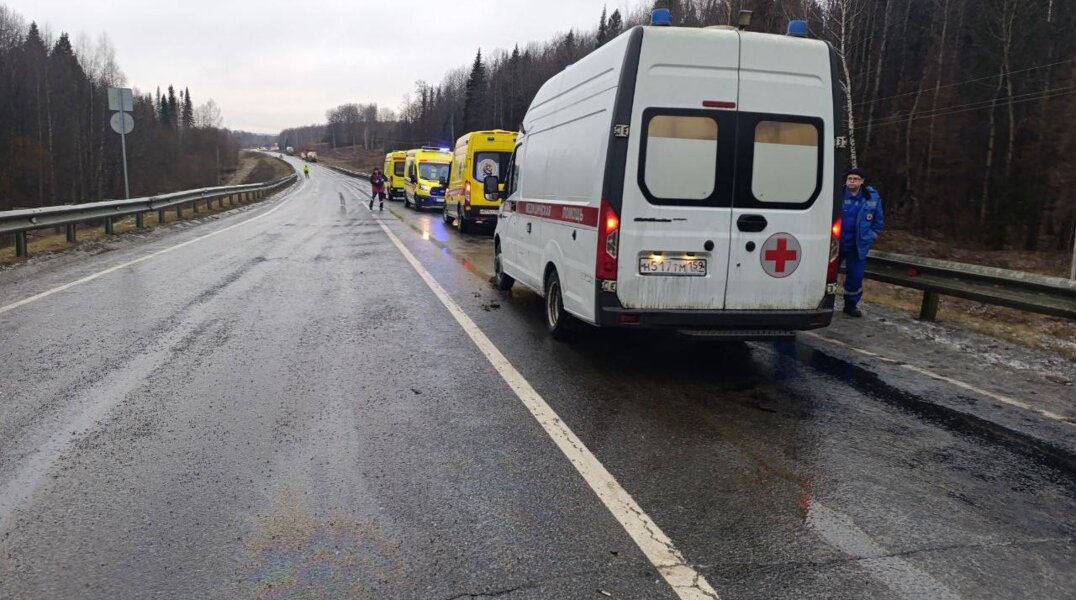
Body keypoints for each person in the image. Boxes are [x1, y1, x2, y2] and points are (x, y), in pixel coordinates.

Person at [838, 167, 884, 317]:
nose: (852, 181)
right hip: (836, 243)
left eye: (856, 179)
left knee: (855, 276)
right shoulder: (837, 193)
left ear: (862, 181)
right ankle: (825, 301)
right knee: (828, 274)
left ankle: (850, 304)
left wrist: (872, 235)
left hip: (859, 244)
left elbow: (878, 220)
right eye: (850, 178)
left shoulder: (871, 197)